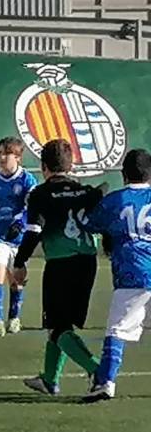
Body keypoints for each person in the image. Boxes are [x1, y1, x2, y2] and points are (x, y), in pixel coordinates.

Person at [12, 139, 107, 396]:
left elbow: (34, 231)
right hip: (88, 263)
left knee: (58, 327)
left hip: (60, 264)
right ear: (71, 165)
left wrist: (19, 262)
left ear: (43, 167)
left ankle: (99, 372)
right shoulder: (85, 191)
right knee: (61, 324)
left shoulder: (40, 194)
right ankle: (49, 379)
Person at [81, 149, 151, 402]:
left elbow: (88, 223)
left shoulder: (115, 200)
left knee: (118, 330)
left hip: (132, 272)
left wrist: (92, 198)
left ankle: (105, 382)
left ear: (124, 174)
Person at [0, 137, 38, 336]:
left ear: (18, 157)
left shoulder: (27, 180)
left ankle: (14, 318)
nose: (2, 157)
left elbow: (33, 207)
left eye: (7, 154)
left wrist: (20, 223)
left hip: (19, 238)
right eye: (0, 153)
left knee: (17, 279)